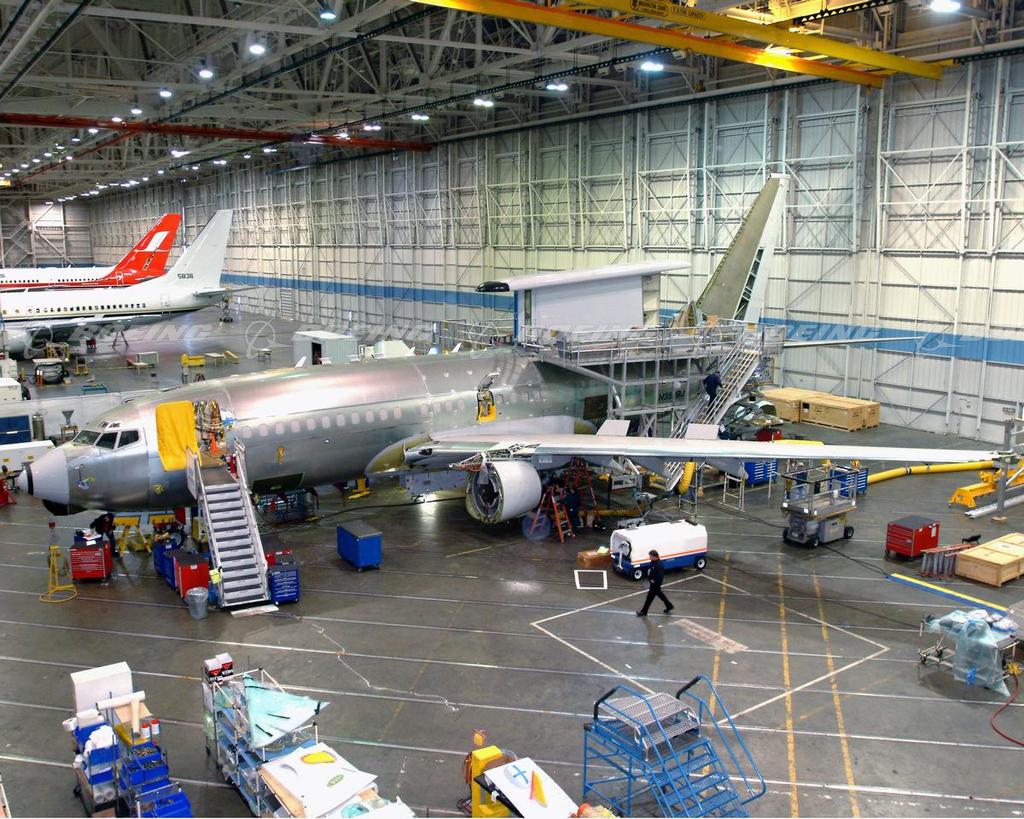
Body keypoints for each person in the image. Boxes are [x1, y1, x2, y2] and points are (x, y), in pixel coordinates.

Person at [636, 550, 674, 617]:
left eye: (650, 556)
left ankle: (644, 612)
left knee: (649, 598)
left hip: (655, 584)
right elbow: (651, 570)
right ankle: (669, 606)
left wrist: (654, 581)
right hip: (652, 583)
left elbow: (660, 576)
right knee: (661, 595)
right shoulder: (652, 562)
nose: (649, 558)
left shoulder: (659, 565)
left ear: (655, 556)